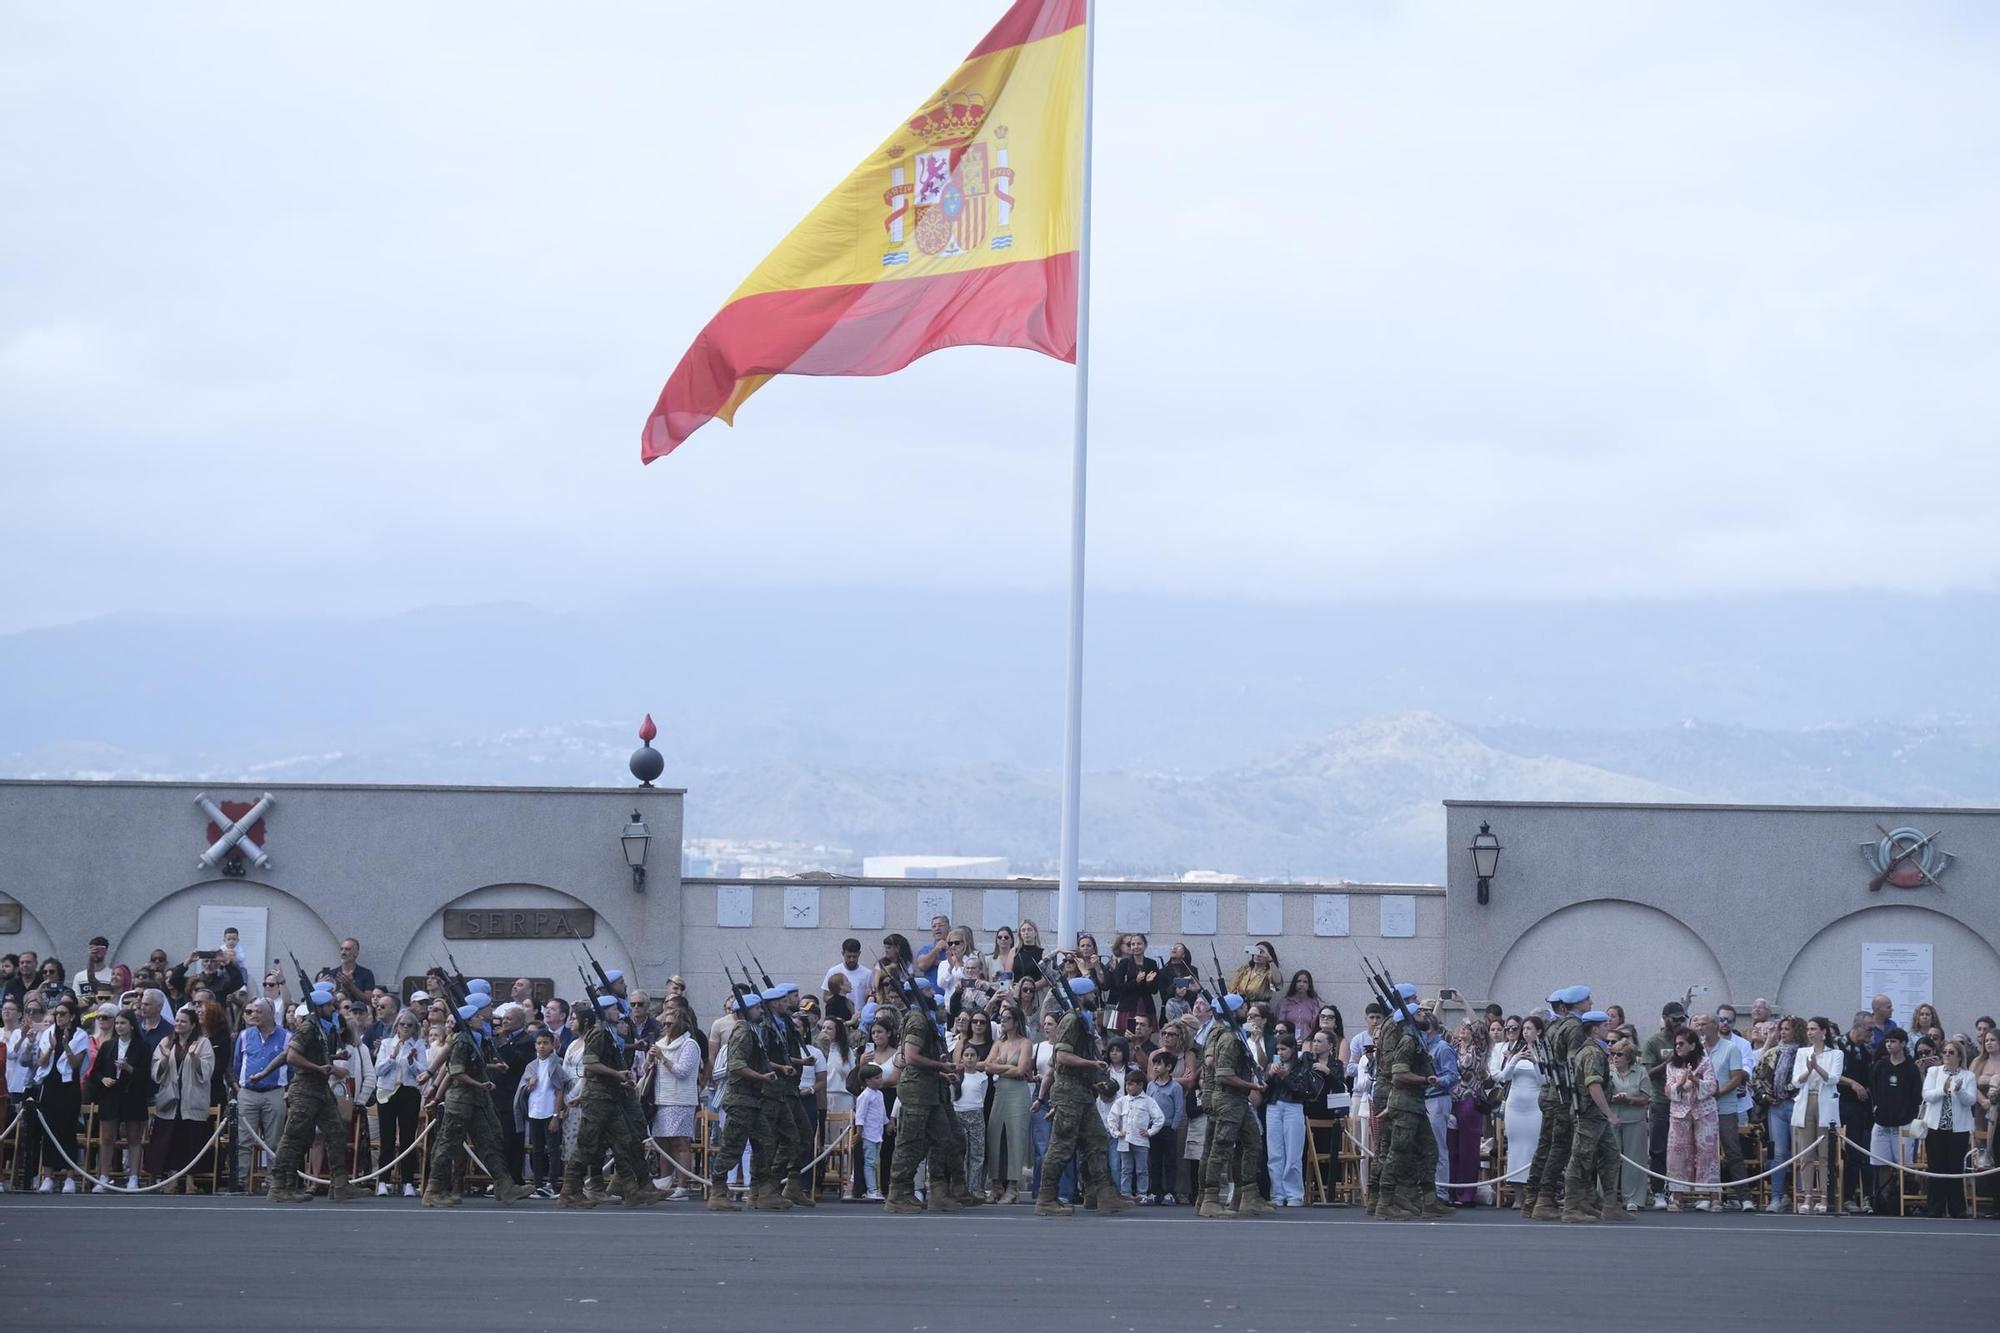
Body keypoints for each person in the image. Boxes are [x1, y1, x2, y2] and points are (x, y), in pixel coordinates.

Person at [424, 993, 531, 1208]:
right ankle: (434, 1190)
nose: (482, 1019)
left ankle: (504, 1184)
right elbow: (456, 1072)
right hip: (461, 1101)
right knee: (448, 1144)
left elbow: (474, 1065)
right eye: (477, 1017)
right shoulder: (463, 1041)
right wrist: (479, 1084)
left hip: (476, 1101)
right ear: (469, 1020)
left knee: (490, 1140)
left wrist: (492, 1068)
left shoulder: (474, 1038)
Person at [1035, 976, 1128, 1218]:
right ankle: (1046, 1197)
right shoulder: (1071, 1020)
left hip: (1082, 1092)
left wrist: (1093, 1076)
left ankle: (1101, 1193)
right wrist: (1091, 1062)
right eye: (1090, 994)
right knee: (1060, 1146)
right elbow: (1062, 1056)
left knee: (1096, 1140)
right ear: (1081, 995)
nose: (1094, 997)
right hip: (1069, 1092)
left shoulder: (1081, 1020)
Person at [565, 997, 654, 1209]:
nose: (619, 1012)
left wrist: (618, 1079)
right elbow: (590, 1064)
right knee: (586, 1145)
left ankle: (633, 1191)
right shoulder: (599, 1032)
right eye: (614, 1009)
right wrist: (616, 1074)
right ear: (604, 1011)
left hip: (609, 1096)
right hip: (597, 1098)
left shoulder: (609, 1032)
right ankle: (569, 1191)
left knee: (623, 1142)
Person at [1197, 993, 1271, 1219]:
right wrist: (1254, 1086)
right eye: (1243, 1008)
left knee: (1252, 1142)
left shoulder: (1234, 1034)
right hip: (1228, 1099)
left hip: (1236, 1099)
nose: (1246, 1012)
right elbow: (1223, 1075)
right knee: (1220, 1148)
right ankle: (1209, 1199)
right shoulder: (1228, 1038)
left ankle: (1248, 1195)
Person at [1561, 1011, 1630, 1223]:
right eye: (1604, 1025)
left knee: (1610, 1156)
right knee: (1580, 1161)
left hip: (1595, 1116)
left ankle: (1609, 1204)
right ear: (1594, 1029)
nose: (1608, 1028)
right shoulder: (1592, 1053)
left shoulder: (1593, 1050)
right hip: (1590, 1115)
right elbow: (1593, 1084)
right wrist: (1609, 1114)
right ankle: (1571, 1208)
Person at [1525, 985, 1586, 1220]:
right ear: (1576, 1004)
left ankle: (1532, 1197)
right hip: (1562, 1094)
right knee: (1559, 1147)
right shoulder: (1574, 1028)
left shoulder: (1553, 1027)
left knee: (1545, 1146)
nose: (1589, 1003)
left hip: (1548, 1091)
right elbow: (1573, 1064)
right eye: (1586, 1001)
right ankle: (1544, 1198)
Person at [150, 1007, 215, 1193]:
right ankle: (171, 1178)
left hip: (192, 1099)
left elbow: (207, 1072)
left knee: (191, 1141)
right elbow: (156, 1073)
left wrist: (194, 1056)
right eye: (177, 1021)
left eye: (183, 1021)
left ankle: (190, 1180)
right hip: (170, 1100)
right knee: (170, 1141)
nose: (178, 1024)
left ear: (193, 1024)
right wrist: (163, 1058)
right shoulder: (166, 1042)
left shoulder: (203, 1044)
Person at [88, 1008, 152, 1190]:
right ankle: (103, 1176)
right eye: (117, 1023)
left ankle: (133, 1176)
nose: (119, 1026)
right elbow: (95, 1072)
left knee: (134, 1137)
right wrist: (103, 1079)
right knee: (107, 1137)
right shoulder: (108, 1046)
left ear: (132, 1026)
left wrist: (129, 1068)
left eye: (123, 1023)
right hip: (111, 1095)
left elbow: (146, 1075)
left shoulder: (142, 1046)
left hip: (133, 1096)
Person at [33, 999, 90, 1192]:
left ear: (72, 1016)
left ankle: (69, 1176)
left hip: (69, 1087)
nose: (59, 1017)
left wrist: (65, 1044)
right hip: (50, 1085)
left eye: (63, 1013)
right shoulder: (48, 1033)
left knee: (67, 1130)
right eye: (57, 1013)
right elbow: (40, 1062)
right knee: (49, 1130)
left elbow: (75, 1064)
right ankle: (48, 1176)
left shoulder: (81, 1035)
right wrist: (51, 1047)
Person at [1789, 1016, 1843, 1214]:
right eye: (1808, 1029)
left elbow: (1833, 1079)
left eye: (1814, 1029)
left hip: (1824, 1103)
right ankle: (1807, 1196)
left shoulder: (1835, 1054)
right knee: (1806, 1153)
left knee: (1824, 1153)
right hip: (1806, 1101)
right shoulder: (1802, 1052)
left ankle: (1824, 1197)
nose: (1810, 1032)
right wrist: (1807, 1071)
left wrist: (1817, 1068)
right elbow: (1796, 1081)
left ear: (1824, 1032)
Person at [1696, 1011, 1749, 1210]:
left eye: (1704, 1023)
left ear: (1715, 1025)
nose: (1700, 1027)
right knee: (1705, 1153)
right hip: (1702, 1107)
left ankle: (1744, 1197)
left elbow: (1736, 1078)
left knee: (1732, 1150)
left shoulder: (1730, 1048)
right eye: (1699, 1024)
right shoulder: (1697, 1050)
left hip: (1725, 1107)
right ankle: (1706, 1195)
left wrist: (1717, 1092)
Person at [983, 1003, 1034, 1203]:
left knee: (1015, 1137)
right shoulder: (998, 1043)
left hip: (1018, 1093)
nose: (1002, 1021)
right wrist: (1005, 1068)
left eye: (1006, 1018)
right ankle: (996, 1184)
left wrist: (998, 1067)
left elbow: (1021, 1070)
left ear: (1016, 1021)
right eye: (1001, 1018)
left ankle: (1013, 1186)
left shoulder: (1025, 1043)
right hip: (1000, 1091)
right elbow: (987, 1066)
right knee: (995, 1136)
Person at [1663, 1027, 1718, 1212]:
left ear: (1692, 1045)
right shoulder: (1672, 1066)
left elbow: (1712, 1087)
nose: (1677, 1047)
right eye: (1676, 1044)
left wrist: (1695, 1080)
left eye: (1681, 1043)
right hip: (1679, 1113)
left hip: (1704, 1112)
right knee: (1676, 1153)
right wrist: (1681, 1083)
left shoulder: (1705, 1062)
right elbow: (1668, 1090)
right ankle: (1677, 1195)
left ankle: (1709, 1195)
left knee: (1707, 1151)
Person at [1919, 1039, 1975, 1218]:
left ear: (1959, 1056)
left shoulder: (1968, 1076)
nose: (1947, 1056)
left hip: (1958, 1129)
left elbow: (1970, 1101)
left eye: (1952, 1053)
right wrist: (1943, 1090)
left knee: (1955, 1168)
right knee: (1936, 1166)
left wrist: (1959, 1091)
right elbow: (1927, 1095)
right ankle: (1935, 1206)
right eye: (1945, 1052)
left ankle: (1957, 1208)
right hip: (1935, 1127)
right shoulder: (1933, 1072)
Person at [647, 1008, 700, 1199]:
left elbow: (682, 1072)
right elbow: (649, 1070)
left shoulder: (689, 1045)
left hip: (681, 1101)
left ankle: (682, 1185)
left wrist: (662, 1058)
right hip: (662, 1099)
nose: (666, 1026)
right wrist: (651, 1059)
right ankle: (664, 1180)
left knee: (680, 1142)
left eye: (670, 1023)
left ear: (681, 1024)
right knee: (662, 1142)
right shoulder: (661, 1043)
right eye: (665, 1023)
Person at [372, 1009, 425, 1197]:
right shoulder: (387, 1044)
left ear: (414, 1028)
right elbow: (379, 1070)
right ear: (397, 1026)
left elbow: (423, 1072)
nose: (405, 1028)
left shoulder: (418, 1045)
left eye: (409, 1025)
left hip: (409, 1092)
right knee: (387, 1138)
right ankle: (383, 1180)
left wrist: (411, 1061)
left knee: (407, 1138)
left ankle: (408, 1181)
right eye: (402, 1025)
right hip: (387, 1092)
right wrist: (393, 1056)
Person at [1263, 1032, 1320, 1206]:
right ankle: (1278, 1193)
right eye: (1278, 1049)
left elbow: (1302, 1090)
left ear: (1293, 1049)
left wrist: (1284, 1077)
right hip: (1273, 1106)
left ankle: (1294, 1194)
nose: (1280, 1053)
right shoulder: (1273, 1065)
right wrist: (1270, 1076)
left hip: (1293, 1106)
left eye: (1284, 1049)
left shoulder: (1301, 1066)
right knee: (1275, 1153)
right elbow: (1264, 1089)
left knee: (1293, 1152)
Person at [1753, 1017, 1802, 1212]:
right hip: (1776, 1107)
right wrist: (1765, 1095)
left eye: (1787, 1029)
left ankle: (1801, 1195)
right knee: (1778, 1153)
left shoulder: (1805, 1053)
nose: (1783, 1032)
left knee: (1801, 1152)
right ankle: (1776, 1197)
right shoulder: (1772, 1054)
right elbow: (1757, 1078)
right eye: (1781, 1029)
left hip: (1798, 1105)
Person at [1496, 1015, 1544, 1205]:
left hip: (1534, 1107)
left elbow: (1545, 1081)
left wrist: (1535, 1062)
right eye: (1524, 1029)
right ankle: (1518, 1196)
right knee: (1515, 1148)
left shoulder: (1543, 1051)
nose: (1525, 1032)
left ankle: (1533, 1195)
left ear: (1539, 1031)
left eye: (1529, 1029)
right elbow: (1503, 1077)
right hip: (1515, 1106)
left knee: (1533, 1147)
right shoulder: (1515, 1050)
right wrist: (1515, 1059)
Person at [1607, 1036, 1651, 1211]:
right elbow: (1599, 1094)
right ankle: (1607, 1197)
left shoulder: (1640, 1072)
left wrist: (1629, 1099)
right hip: (1612, 1119)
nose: (1615, 1057)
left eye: (1620, 1054)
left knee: (1634, 1160)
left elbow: (1646, 1097)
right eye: (1613, 1054)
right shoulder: (1607, 1071)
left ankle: (1632, 1198)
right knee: (1609, 1160)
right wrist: (1613, 1098)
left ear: (1629, 1057)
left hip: (1635, 1119)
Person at [854, 1063, 887, 1200]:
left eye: (880, 1077)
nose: (880, 1080)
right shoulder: (864, 1096)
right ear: (868, 1081)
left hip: (877, 1133)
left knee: (875, 1162)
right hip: (868, 1134)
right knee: (870, 1162)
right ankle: (871, 1189)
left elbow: (882, 1112)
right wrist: (859, 1132)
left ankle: (876, 1187)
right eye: (877, 1078)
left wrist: (888, 1122)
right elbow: (860, 1116)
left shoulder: (879, 1094)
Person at [1275, 970, 1322, 1039]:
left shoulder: (1313, 1003)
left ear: (1309, 985)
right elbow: (1280, 1023)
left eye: (1305, 982)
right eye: (1299, 981)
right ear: (1294, 983)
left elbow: (1316, 1025)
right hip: (1288, 1040)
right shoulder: (1285, 1002)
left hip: (1307, 1040)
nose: (1301, 984)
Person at [330, 938, 375, 1005]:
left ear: (356, 953)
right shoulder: (332, 974)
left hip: (358, 1013)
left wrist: (351, 986)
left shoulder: (366, 974)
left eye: (347, 949)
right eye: (341, 949)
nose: (343, 952)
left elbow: (369, 1000)